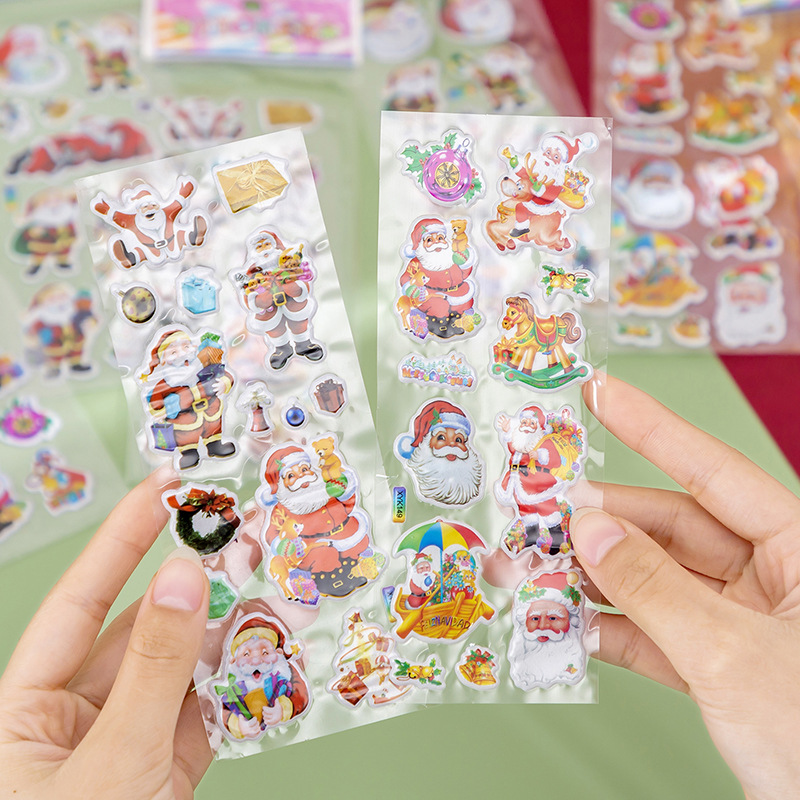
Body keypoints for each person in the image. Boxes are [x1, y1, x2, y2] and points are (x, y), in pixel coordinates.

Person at [1, 373, 799, 799]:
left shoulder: (404, 516)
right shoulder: (285, 523)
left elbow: (419, 552)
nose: (304, 481)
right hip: (317, 594)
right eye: (292, 476)